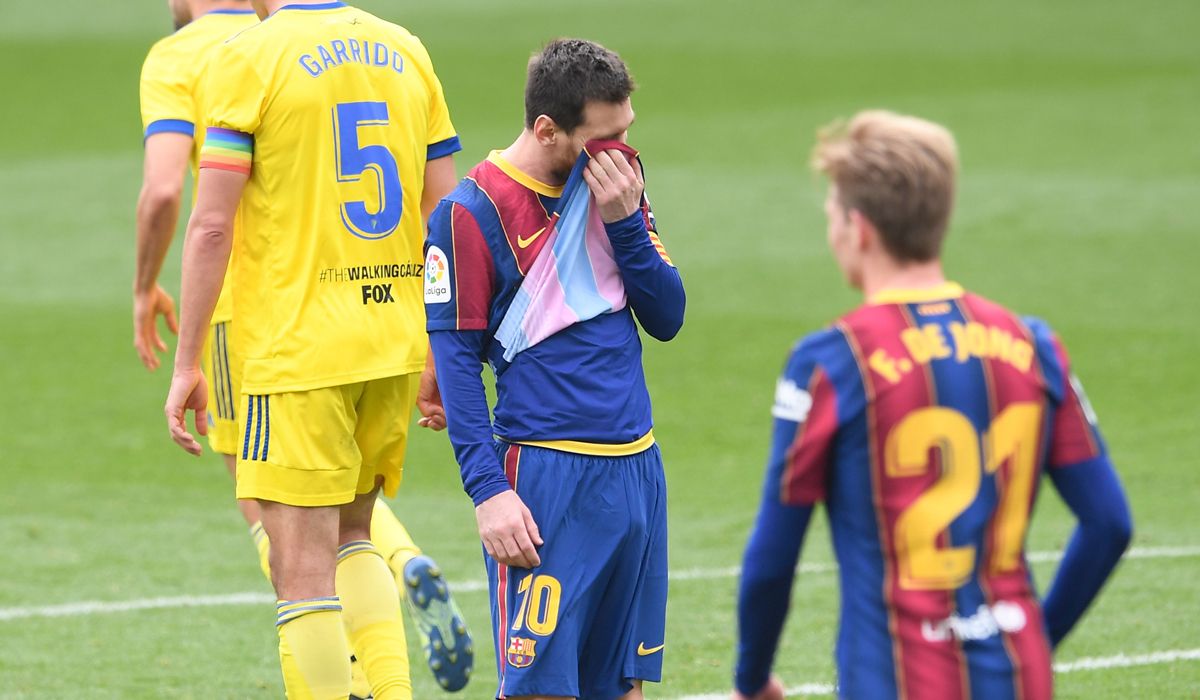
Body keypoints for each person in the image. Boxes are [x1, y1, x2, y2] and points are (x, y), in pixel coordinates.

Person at [731, 110, 1133, 700]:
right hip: (1020, 676)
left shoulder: (833, 362)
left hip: (891, 679)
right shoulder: (1033, 344)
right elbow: (1109, 524)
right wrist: (1035, 640)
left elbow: (772, 558)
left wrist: (751, 679)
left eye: (833, 219)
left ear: (859, 228)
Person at [162, 0, 467, 696]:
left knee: (301, 569)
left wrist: (188, 363)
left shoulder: (249, 56)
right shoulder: (406, 49)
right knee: (356, 536)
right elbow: (446, 217)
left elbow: (211, 226)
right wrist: (444, 345)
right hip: (392, 339)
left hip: (296, 351)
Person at [424, 39, 685, 700]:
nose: (623, 148)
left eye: (627, 129)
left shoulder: (614, 186)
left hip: (636, 471)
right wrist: (489, 491)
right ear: (548, 129)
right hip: (545, 479)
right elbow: (455, 366)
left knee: (619, 687)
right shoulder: (469, 214)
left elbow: (667, 316)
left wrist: (627, 224)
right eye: (607, 135)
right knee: (540, 689)